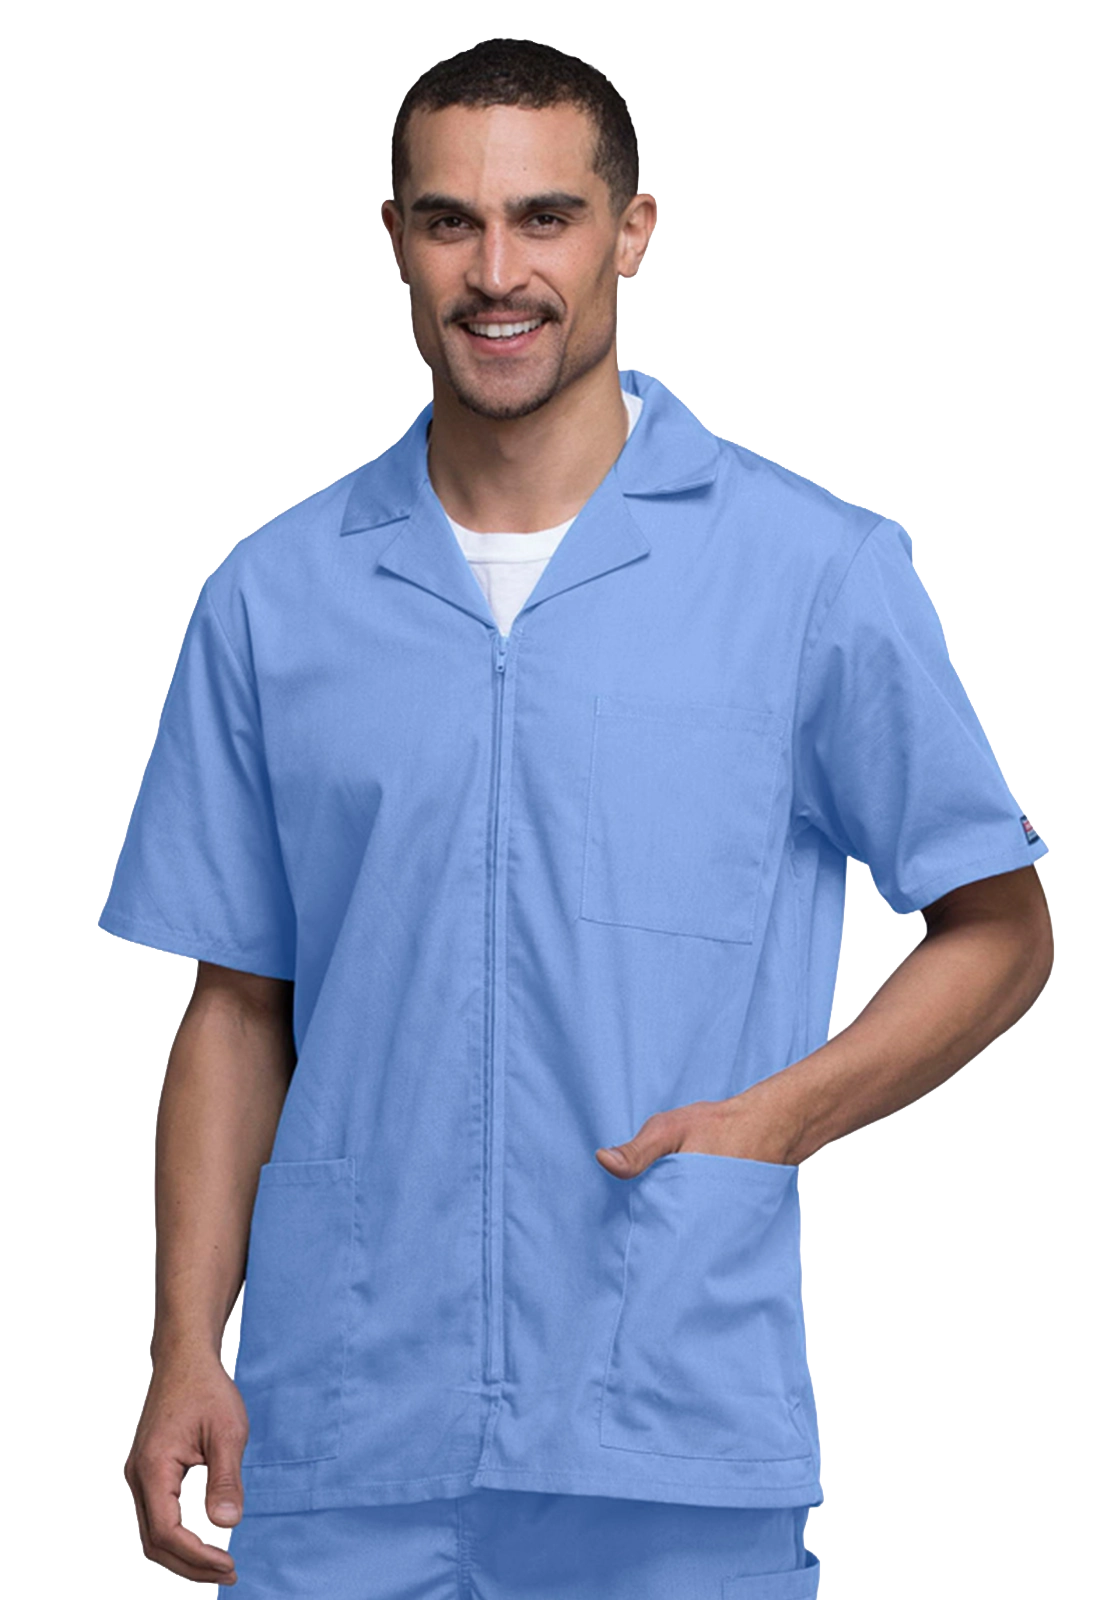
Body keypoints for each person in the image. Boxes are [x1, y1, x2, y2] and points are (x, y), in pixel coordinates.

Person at [98, 35, 1054, 1600]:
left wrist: (775, 1122)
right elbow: (237, 1005)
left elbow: (1000, 925)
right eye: (450, 222)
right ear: (394, 240)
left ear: (632, 231)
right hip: (340, 1436)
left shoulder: (811, 572)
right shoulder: (275, 597)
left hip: (668, 1420)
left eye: (545, 217)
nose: (498, 272)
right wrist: (185, 1347)